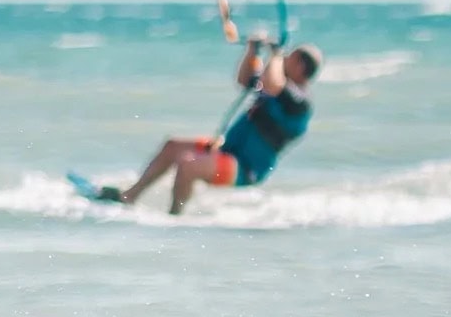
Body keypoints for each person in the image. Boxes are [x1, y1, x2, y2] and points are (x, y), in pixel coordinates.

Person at [92, 40, 322, 214]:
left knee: (188, 164)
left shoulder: (299, 101)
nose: (284, 60)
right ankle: (129, 196)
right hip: (226, 150)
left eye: (290, 58)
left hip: (245, 168)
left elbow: (272, 84)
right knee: (173, 146)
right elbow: (244, 79)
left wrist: (276, 54)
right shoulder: (280, 87)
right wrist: (253, 49)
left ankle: (174, 218)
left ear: (301, 66)